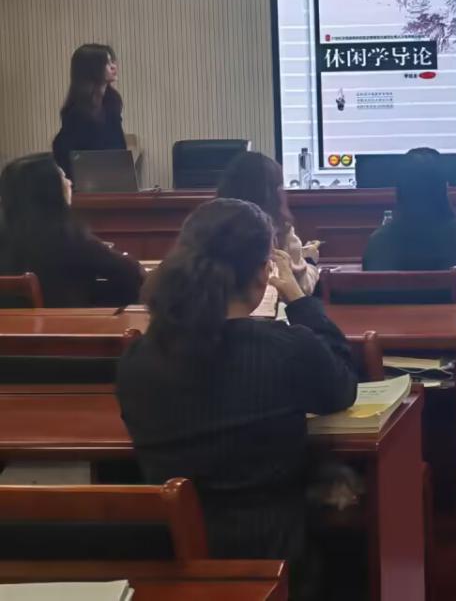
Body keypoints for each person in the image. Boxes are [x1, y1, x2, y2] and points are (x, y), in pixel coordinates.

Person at [117, 198, 357, 597]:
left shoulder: (138, 358)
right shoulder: (286, 348)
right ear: (264, 274)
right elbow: (341, 387)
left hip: (173, 559)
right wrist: (301, 301)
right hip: (277, 555)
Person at [0, 153, 144, 306]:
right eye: (63, 177)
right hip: (59, 321)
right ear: (49, 191)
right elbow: (132, 274)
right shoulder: (66, 236)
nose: (70, 183)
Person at [362, 148, 456, 301]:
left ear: (399, 190)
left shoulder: (377, 242)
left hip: (391, 317)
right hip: (452, 317)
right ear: (444, 187)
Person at [216, 151, 319, 296]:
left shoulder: (210, 227)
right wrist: (310, 261)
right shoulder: (280, 231)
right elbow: (302, 288)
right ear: (276, 194)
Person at [52, 43, 126, 178]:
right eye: (107, 63)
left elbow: (120, 151)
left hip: (113, 181)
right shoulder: (75, 114)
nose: (114, 67)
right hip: (84, 185)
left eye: (112, 61)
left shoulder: (112, 103)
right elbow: (71, 162)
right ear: (92, 69)